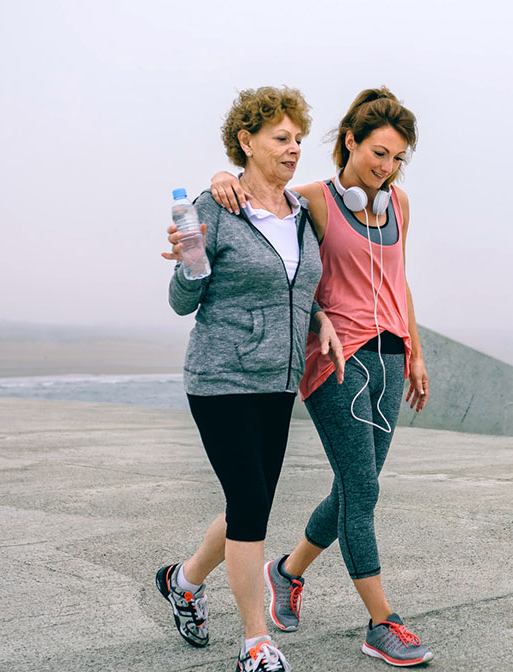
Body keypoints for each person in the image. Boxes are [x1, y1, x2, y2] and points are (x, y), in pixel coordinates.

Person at [206, 87, 433, 667]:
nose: (387, 168)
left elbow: (400, 278)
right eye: (378, 153)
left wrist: (416, 350)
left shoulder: (399, 205)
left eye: (397, 158)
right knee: (363, 490)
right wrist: (220, 178)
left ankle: (286, 572)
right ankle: (383, 622)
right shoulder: (316, 200)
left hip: (388, 359)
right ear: (349, 142)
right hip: (334, 363)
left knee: (356, 488)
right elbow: (260, 195)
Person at [157, 85, 344, 672]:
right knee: (248, 502)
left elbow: (296, 285)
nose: (292, 150)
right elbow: (182, 301)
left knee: (251, 503)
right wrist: (189, 263)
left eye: (296, 140)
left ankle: (184, 581)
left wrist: (319, 318)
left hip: (278, 381)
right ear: (246, 141)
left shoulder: (302, 217)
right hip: (221, 378)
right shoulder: (214, 208)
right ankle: (257, 643)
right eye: (280, 139)